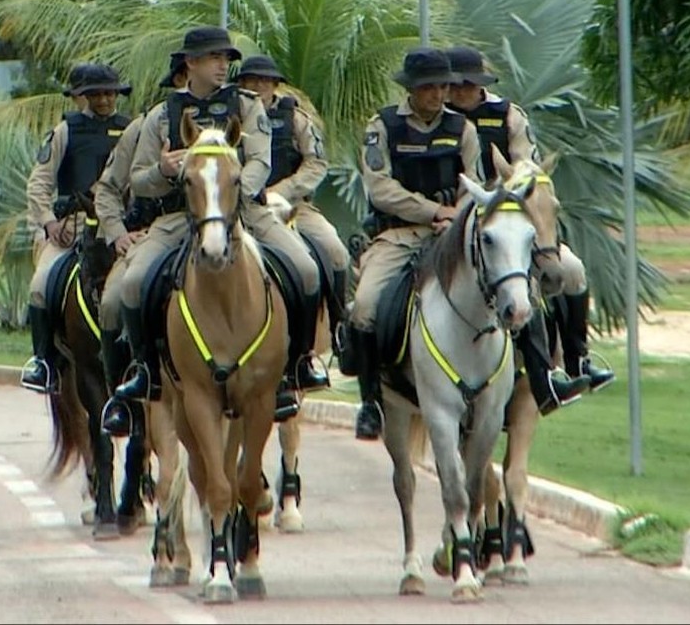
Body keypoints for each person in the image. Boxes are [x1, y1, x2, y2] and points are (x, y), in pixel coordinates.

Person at [99, 26, 324, 434]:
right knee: (128, 286)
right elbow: (139, 177)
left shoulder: (247, 105)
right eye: (215, 58)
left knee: (306, 269)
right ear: (192, 63)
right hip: (177, 217)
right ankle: (142, 373)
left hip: (241, 212)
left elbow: (260, 161)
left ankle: (298, 366)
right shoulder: (160, 115)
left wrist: (233, 190)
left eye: (226, 59)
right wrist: (164, 171)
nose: (224, 66)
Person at [445, 45, 615, 401]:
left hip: (510, 215)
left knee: (570, 270)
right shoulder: (438, 116)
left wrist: (508, 188)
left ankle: (576, 360)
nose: (461, 90)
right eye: (456, 83)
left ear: (482, 83)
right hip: (453, 217)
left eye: (469, 83)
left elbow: (527, 166)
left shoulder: (508, 115)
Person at [349, 47, 483, 441]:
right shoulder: (382, 126)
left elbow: (474, 183)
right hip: (399, 235)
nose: (439, 94)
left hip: (454, 235)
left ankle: (526, 381)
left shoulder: (463, 129)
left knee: (503, 290)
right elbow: (380, 188)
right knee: (364, 307)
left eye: (444, 86)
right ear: (412, 89)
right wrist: (431, 212)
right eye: (430, 87)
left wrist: (455, 217)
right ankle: (370, 401)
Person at [235, 54, 350, 414]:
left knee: (335, 252)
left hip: (293, 206)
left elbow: (316, 163)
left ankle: (334, 334)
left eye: (264, 81)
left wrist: (280, 193)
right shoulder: (230, 117)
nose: (257, 87)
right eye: (251, 81)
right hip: (235, 206)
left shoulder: (295, 119)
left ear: (275, 85)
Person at [20, 63, 132, 393]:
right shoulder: (63, 132)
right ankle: (43, 362)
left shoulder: (131, 132)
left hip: (119, 226)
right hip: (72, 225)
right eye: (95, 94)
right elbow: (38, 184)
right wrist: (50, 223)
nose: (103, 100)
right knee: (41, 285)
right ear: (80, 97)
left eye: (109, 93)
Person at [94, 51, 189, 437]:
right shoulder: (147, 125)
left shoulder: (239, 113)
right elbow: (109, 187)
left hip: (224, 223)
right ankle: (123, 398)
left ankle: (288, 374)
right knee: (115, 299)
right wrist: (117, 232)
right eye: (181, 78)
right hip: (155, 228)